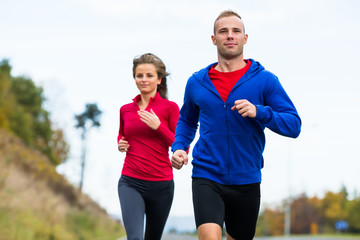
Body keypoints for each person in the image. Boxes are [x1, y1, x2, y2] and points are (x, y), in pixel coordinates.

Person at [171, 10, 301, 240]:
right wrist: (179, 147)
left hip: (247, 179)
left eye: (235, 31)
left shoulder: (265, 80)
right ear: (214, 39)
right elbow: (187, 120)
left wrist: (259, 112)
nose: (230, 36)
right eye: (223, 31)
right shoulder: (197, 82)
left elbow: (293, 125)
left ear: (245, 38)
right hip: (207, 174)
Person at [117, 53, 180, 240]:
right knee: (135, 237)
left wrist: (158, 126)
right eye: (139, 75)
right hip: (131, 181)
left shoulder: (170, 108)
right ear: (135, 78)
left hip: (161, 184)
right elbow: (122, 133)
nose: (144, 80)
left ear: (159, 79)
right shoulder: (125, 109)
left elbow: (179, 143)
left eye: (149, 76)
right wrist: (120, 142)